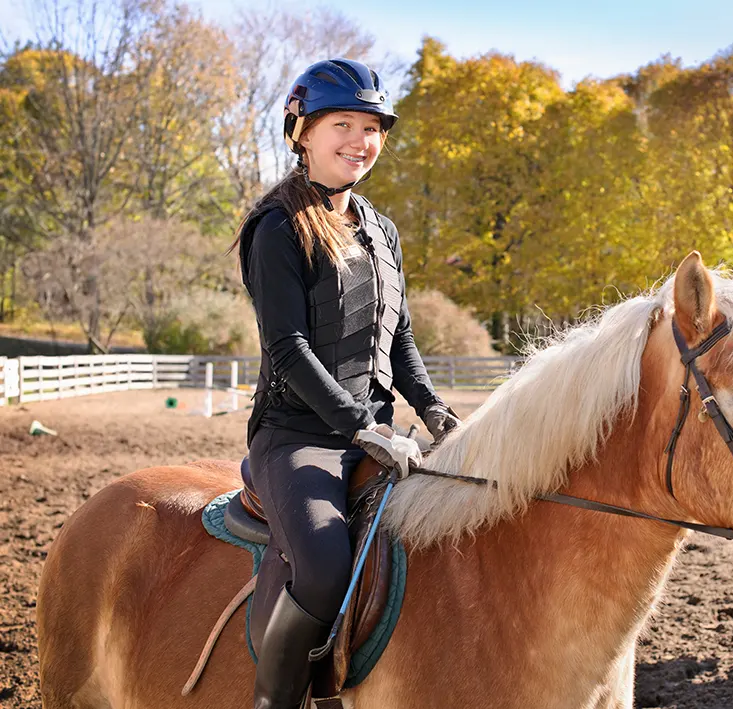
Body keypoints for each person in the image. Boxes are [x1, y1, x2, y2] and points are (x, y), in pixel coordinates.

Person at [233, 58, 461, 709]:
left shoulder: (382, 230)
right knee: (328, 562)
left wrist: (433, 407)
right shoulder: (276, 227)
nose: (360, 140)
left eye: (372, 127)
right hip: (298, 439)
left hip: (377, 435)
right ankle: (274, 701)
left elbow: (401, 337)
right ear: (302, 131)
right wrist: (361, 425)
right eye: (342, 124)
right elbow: (290, 349)